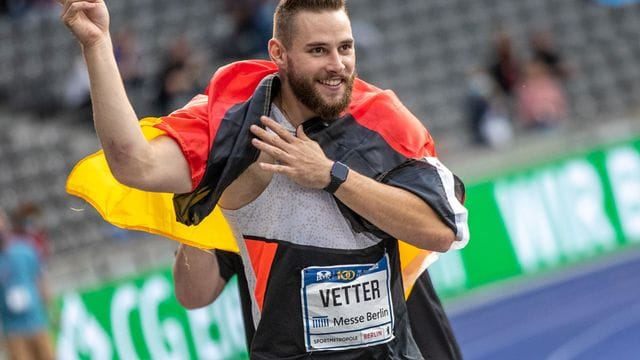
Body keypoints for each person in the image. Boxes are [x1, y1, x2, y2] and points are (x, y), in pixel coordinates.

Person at [62, 0, 469, 358]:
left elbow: (441, 231)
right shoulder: (230, 127)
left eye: (345, 48)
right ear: (279, 52)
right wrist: (97, 45)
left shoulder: (383, 119)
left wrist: (330, 175)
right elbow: (135, 164)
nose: (337, 64)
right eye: (317, 50)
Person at [0, 208, 54, 360]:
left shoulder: (25, 249)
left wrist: (49, 307)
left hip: (36, 321)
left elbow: (39, 278)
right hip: (12, 329)